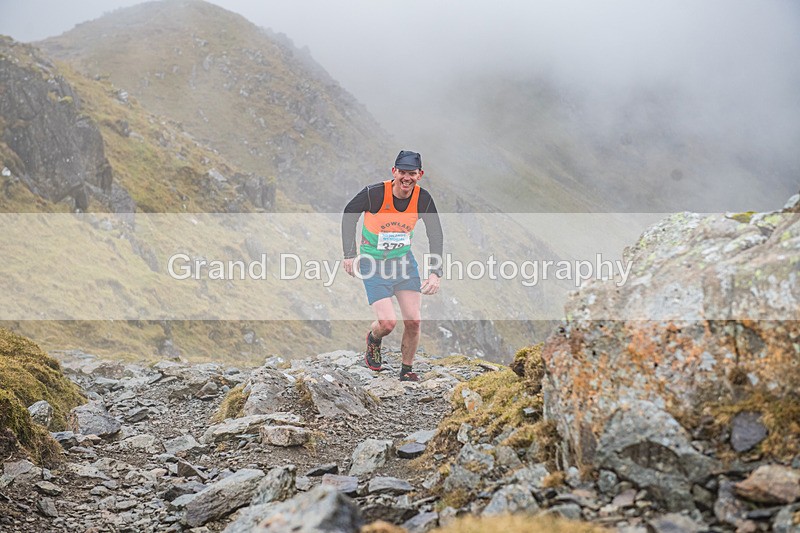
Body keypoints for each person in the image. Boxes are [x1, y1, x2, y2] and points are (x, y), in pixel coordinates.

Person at [341, 150, 444, 381]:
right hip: (373, 263)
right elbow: (349, 213)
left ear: (420, 175)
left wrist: (435, 272)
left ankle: (407, 371)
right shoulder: (375, 194)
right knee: (387, 323)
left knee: (414, 321)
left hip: (403, 263)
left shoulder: (422, 198)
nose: (407, 178)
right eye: (403, 173)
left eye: (413, 174)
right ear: (394, 172)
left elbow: (435, 233)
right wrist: (349, 254)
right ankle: (373, 339)